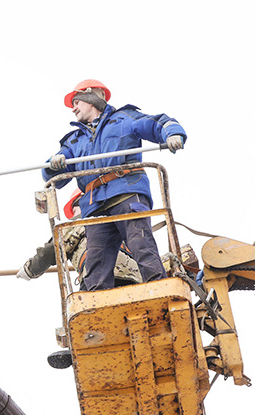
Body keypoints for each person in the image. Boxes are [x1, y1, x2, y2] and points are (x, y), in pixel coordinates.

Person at [42, 79, 187, 291]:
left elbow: (157, 123)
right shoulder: (74, 140)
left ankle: (159, 288)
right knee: (96, 260)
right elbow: (55, 176)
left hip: (126, 192)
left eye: (76, 102)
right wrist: (54, 165)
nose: (73, 108)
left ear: (91, 98)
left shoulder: (123, 119)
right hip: (95, 204)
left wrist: (173, 134)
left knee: (140, 243)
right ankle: (95, 302)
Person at [16, 189, 142, 286]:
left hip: (98, 280)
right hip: (134, 278)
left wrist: (29, 269)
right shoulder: (116, 221)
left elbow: (51, 252)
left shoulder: (77, 225)